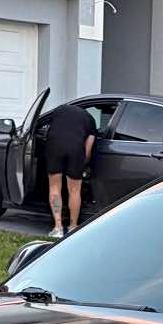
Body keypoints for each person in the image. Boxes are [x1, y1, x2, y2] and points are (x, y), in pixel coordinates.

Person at [39, 99, 97, 235]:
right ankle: (73, 226)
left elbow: (46, 129)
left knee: (54, 187)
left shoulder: (59, 110)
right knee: (74, 190)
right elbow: (88, 150)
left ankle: (58, 228)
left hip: (55, 146)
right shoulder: (90, 120)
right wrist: (83, 164)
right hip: (76, 149)